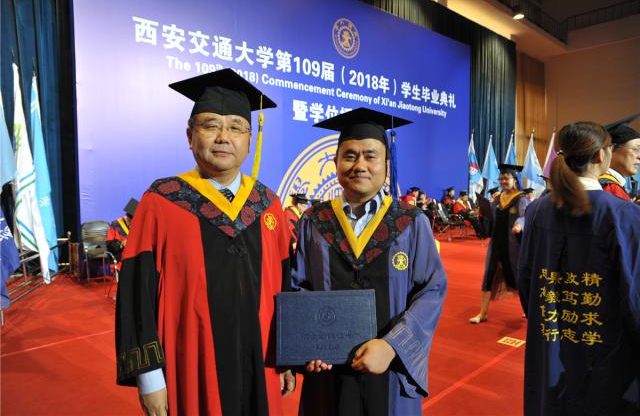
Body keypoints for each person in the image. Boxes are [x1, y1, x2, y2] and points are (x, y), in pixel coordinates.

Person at [115, 69, 295, 416]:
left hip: (262, 364)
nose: (223, 137)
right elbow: (137, 293)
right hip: (191, 366)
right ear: (190, 135)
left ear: (250, 138)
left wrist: (288, 356)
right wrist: (149, 377)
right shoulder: (162, 201)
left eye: (236, 127)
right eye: (211, 125)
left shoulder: (267, 204)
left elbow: (285, 287)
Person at [292, 107, 447, 416]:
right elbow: (298, 286)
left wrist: (392, 346)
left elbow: (431, 290)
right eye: (349, 156)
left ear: (386, 165)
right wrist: (311, 343)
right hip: (328, 373)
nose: (359, 165)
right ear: (336, 163)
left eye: (370, 156)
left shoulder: (410, 222)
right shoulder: (314, 220)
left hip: (389, 371)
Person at [518, 121, 640, 415]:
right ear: (601, 155)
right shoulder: (623, 215)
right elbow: (635, 299)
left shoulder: (537, 210)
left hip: (549, 345)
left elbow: (526, 281)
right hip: (605, 358)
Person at [469, 164, 529, 323]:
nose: (502, 181)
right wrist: (482, 214)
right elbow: (490, 220)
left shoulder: (521, 199)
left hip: (514, 246)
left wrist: (519, 225)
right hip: (496, 244)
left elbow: (525, 216)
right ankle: (483, 313)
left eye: (506, 178)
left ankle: (529, 310)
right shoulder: (497, 200)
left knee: (518, 279)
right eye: (500, 178)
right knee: (488, 276)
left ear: (514, 180)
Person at [599, 114, 640, 201]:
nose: (639, 156)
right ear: (611, 149)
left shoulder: (617, 185)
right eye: (635, 149)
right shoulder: (610, 188)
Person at [106, 198, 138, 263]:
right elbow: (109, 244)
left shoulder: (139, 225)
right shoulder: (115, 225)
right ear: (128, 217)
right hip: (121, 260)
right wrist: (121, 244)